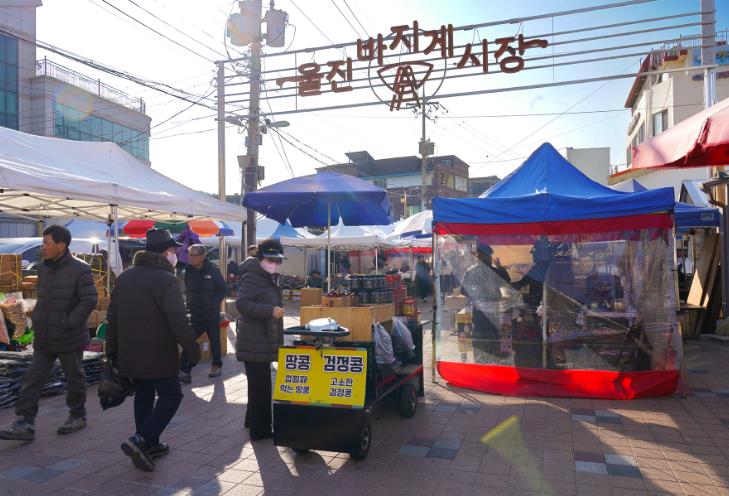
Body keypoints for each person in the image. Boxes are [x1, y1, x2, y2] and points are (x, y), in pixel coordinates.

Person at [106, 229, 200, 472]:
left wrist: (112, 351)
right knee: (172, 395)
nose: (176, 254)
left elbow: (112, 318)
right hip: (159, 352)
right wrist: (192, 350)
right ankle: (142, 438)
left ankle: (150, 445)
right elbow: (179, 321)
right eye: (173, 250)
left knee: (144, 395)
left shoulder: (125, 277)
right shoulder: (166, 279)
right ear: (166, 252)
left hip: (130, 351)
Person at [0, 225, 97, 441]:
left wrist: (69, 322)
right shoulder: (43, 267)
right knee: (33, 378)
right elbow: (45, 299)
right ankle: (24, 423)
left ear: (61, 245)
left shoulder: (80, 269)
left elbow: (90, 300)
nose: (42, 247)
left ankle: (77, 415)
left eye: (46, 243)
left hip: (69, 335)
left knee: (74, 377)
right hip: (44, 334)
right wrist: (36, 315)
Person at [235, 239, 285, 441]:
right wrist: (270, 311)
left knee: (258, 385)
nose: (275, 264)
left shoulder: (266, 276)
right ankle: (260, 430)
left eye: (278, 261)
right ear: (260, 258)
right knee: (261, 388)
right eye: (270, 260)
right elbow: (242, 304)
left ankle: (252, 420)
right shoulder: (253, 277)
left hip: (260, 340)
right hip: (254, 340)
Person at [179, 244, 227, 383]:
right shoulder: (188, 271)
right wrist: (188, 303)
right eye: (190, 255)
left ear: (202, 256)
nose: (191, 258)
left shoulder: (213, 270)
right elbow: (187, 290)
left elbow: (223, 289)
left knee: (214, 340)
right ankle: (184, 369)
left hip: (211, 313)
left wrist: (214, 303)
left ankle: (216, 365)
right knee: (190, 339)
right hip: (196, 313)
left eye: (194, 255)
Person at [461, 243, 511, 363]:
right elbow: (507, 280)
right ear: (482, 256)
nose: (489, 258)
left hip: (481, 308)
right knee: (491, 334)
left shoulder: (471, 271)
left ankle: (481, 360)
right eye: (488, 255)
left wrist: (475, 296)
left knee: (482, 334)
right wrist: (500, 267)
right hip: (490, 308)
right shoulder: (493, 271)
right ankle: (490, 360)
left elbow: (463, 290)